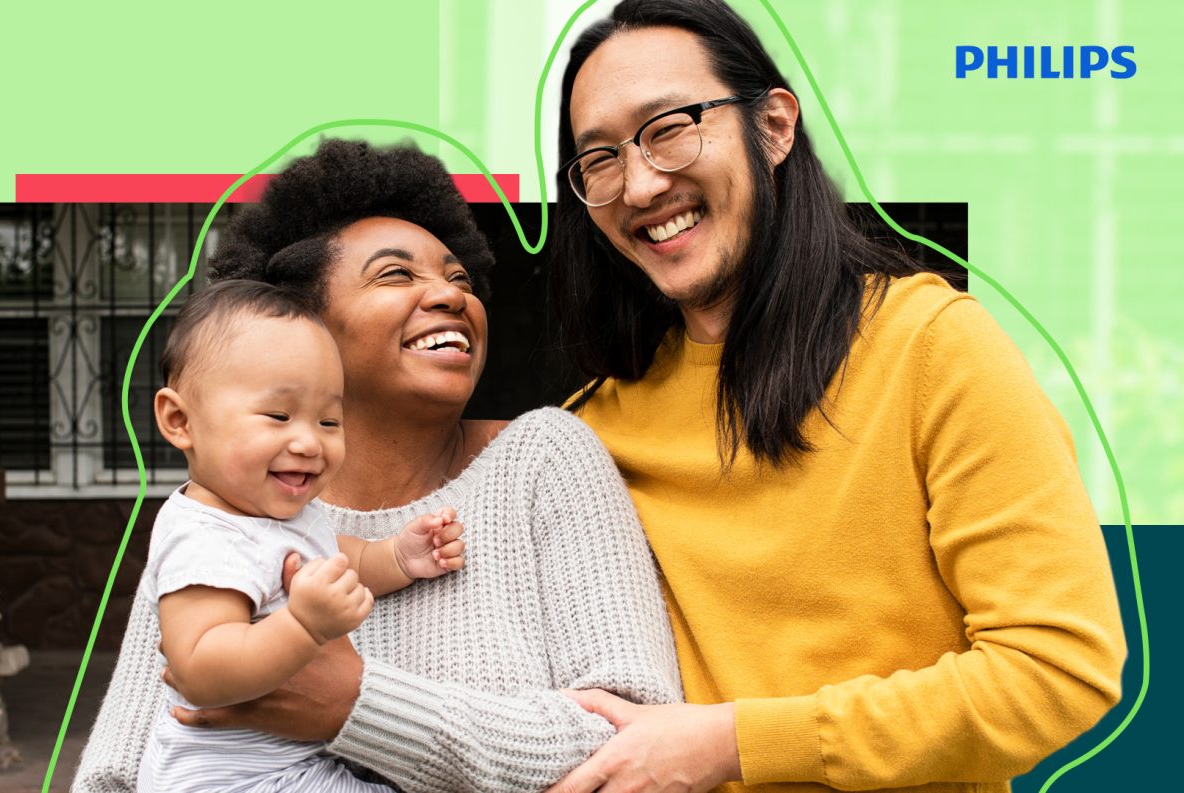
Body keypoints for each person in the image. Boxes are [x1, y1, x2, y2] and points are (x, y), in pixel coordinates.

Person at [545, 1, 1127, 792]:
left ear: (774, 127)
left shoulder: (931, 347)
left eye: (670, 127)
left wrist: (732, 744)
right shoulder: (586, 434)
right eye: (600, 158)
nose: (641, 183)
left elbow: (1059, 668)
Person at [72, 139, 683, 793]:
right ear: (301, 326)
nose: (449, 295)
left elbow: (637, 741)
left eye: (460, 279)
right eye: (396, 275)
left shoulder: (545, 459)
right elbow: (116, 772)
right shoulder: (225, 510)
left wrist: (356, 705)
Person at [138, 279, 466, 792]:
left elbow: (340, 561)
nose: (309, 443)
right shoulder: (203, 535)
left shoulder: (280, 513)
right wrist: (304, 626)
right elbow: (197, 670)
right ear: (180, 421)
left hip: (295, 769)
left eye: (329, 421)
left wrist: (398, 558)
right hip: (232, 781)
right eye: (278, 416)